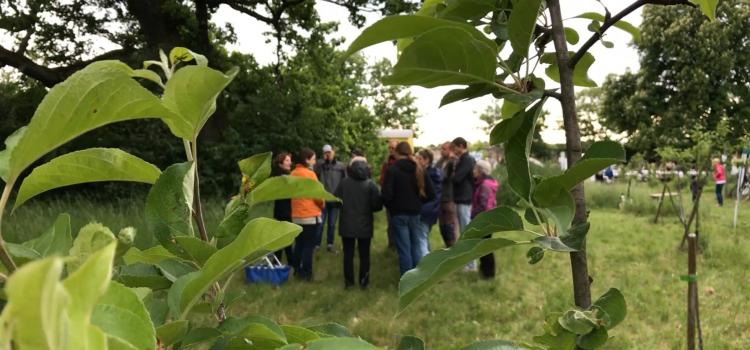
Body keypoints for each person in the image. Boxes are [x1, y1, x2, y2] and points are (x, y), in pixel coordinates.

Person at [381, 142, 436, 276]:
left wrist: (392, 207)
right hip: (415, 213)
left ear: (397, 153)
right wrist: (418, 203)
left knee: (404, 249)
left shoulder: (392, 170)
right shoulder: (419, 169)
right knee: (415, 247)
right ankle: (418, 280)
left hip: (398, 214)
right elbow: (431, 193)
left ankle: (408, 283)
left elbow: (386, 195)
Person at [333, 159, 383, 290]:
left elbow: (335, 202)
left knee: (348, 255)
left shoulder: (344, 183)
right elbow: (378, 205)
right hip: (365, 224)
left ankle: (349, 282)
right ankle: (364, 282)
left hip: (347, 224)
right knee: (364, 255)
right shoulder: (370, 185)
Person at [291, 148, 325, 281]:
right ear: (306, 160)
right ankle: (307, 273)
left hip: (296, 216)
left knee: (298, 244)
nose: (315, 161)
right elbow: (317, 194)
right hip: (310, 216)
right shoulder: (310, 174)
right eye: (313, 159)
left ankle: (297, 271)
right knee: (308, 246)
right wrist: (322, 205)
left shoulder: (292, 173)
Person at [314, 144, 347, 253]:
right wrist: (322, 161)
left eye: (329, 152)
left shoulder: (340, 166)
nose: (328, 154)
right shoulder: (320, 165)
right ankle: (317, 245)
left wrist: (342, 196)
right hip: (322, 199)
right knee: (321, 223)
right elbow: (314, 174)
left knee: (332, 224)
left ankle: (330, 244)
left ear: (333, 152)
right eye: (325, 153)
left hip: (334, 199)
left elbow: (345, 181)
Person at [451, 137, 476, 271]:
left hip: (464, 198)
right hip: (461, 198)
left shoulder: (467, 159)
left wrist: (450, 178)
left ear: (461, 146)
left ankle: (471, 265)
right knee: (462, 230)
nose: (453, 150)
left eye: (454, 147)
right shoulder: (462, 159)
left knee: (466, 231)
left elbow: (457, 177)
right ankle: (466, 261)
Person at [471, 160, 499, 279]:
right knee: (483, 246)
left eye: (475, 169)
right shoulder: (485, 183)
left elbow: (483, 204)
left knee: (485, 248)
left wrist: (472, 215)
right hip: (487, 218)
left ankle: (488, 274)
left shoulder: (484, 185)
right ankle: (485, 271)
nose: (473, 171)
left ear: (481, 171)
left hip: (484, 220)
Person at [417, 149, 442, 254]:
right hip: (433, 209)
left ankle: (425, 268)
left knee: (421, 240)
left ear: (426, 160)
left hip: (425, 210)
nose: (416, 161)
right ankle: (429, 262)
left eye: (419, 159)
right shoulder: (437, 174)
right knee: (424, 237)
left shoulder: (424, 175)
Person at [271, 152, 294, 266]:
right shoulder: (282, 176)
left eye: (290, 160)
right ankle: (288, 260)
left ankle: (279, 260)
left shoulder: (280, 175)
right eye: (287, 160)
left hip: (281, 210)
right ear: (280, 163)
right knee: (285, 236)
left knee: (283, 235)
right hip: (284, 209)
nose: (290, 162)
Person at [434, 141, 458, 247]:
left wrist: (439, 174)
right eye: (441, 148)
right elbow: (435, 173)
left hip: (450, 196)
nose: (441, 151)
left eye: (444, 149)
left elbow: (445, 177)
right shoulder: (440, 161)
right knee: (442, 225)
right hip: (440, 196)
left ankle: (454, 249)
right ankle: (447, 247)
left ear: (450, 150)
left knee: (450, 225)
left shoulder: (455, 162)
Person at [380, 140, 399, 251]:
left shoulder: (402, 161)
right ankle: (392, 245)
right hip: (390, 198)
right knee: (390, 222)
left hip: (400, 197)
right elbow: (382, 180)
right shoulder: (386, 163)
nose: (391, 150)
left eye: (393, 148)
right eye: (390, 148)